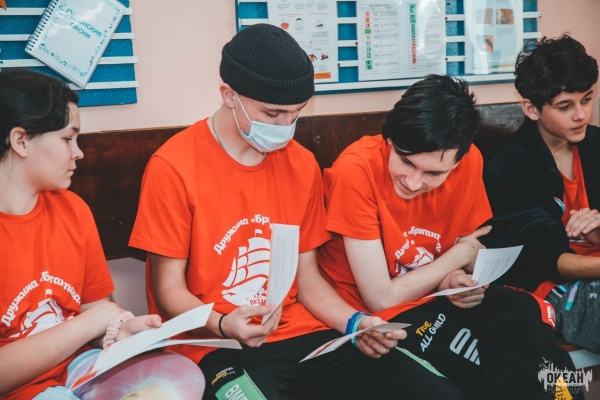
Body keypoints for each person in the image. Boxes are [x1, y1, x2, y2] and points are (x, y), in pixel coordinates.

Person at [129, 24, 467, 399]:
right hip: (211, 342)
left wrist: (356, 323)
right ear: (229, 95)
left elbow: (306, 279)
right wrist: (223, 324)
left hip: (298, 332)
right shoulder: (174, 166)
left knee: (436, 393)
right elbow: (168, 290)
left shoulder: (302, 165)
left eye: (295, 113)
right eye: (273, 113)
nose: (284, 126)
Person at [317, 74, 582, 400]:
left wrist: (454, 281)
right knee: (472, 369)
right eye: (405, 161)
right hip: (375, 318)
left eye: (434, 173)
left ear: (457, 162)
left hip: (433, 299)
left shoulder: (470, 162)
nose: (413, 182)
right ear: (389, 139)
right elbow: (382, 298)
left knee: (530, 332)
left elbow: (458, 250)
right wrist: (458, 258)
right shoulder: (356, 170)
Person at [0, 69, 205, 400]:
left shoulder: (72, 209)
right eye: (67, 139)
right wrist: (87, 325)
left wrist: (121, 330)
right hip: (20, 387)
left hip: (80, 365)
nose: (78, 152)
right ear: (20, 141)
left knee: (179, 378)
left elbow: (97, 309)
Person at [482, 34, 600, 353]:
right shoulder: (507, 167)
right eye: (565, 106)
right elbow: (550, 261)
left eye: (587, 100)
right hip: (547, 289)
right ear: (532, 109)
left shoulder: (595, 145)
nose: (581, 115)